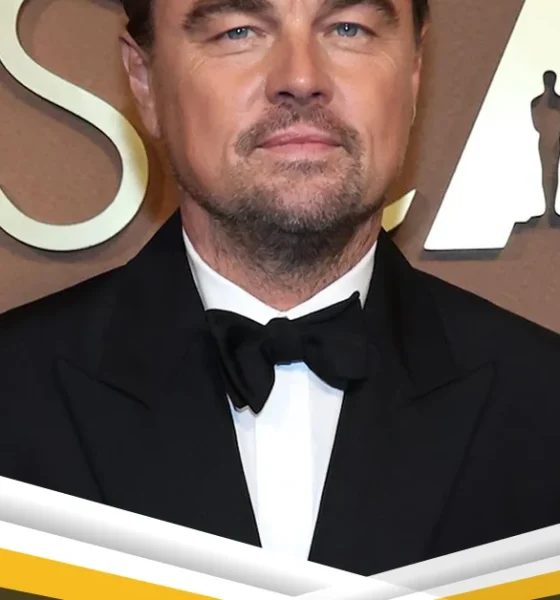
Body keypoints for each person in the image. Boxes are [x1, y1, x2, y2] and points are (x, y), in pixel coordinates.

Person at [1, 0, 560, 577]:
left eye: (349, 28)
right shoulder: (11, 400)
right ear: (144, 80)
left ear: (413, 72)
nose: (301, 77)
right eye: (238, 31)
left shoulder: (546, 408)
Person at [532, 70, 560, 219]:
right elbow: (537, 124)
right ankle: (549, 208)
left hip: (556, 141)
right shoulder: (536, 102)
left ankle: (551, 209)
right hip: (546, 142)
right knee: (548, 173)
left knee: (552, 173)